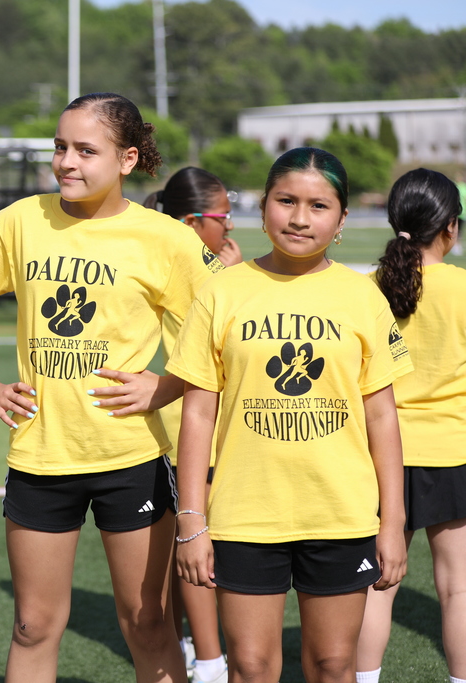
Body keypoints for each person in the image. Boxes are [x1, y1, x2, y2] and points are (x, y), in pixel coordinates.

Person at [0, 92, 223, 683]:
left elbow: (225, 327)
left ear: (126, 159)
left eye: (85, 150)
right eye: (60, 148)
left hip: (133, 459)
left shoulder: (166, 239)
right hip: (41, 455)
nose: (67, 162)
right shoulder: (22, 220)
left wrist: (164, 386)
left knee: (148, 625)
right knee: (34, 626)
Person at [170, 147, 411, 683]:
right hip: (246, 514)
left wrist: (392, 523)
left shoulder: (361, 297)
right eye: (286, 201)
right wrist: (191, 521)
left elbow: (383, 420)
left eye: (319, 206)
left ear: (342, 218)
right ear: (263, 207)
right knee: (252, 666)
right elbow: (196, 415)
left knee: (331, 664)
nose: (300, 218)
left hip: (341, 514)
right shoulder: (221, 292)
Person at [356, 168, 466, 683]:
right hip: (451, 453)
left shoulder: (362, 290)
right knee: (458, 587)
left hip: (379, 455)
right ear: (450, 228)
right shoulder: (463, 288)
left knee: (379, 583)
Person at [144, 166, 235, 683]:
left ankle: (188, 650)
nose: (229, 227)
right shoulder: (200, 266)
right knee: (200, 544)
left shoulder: (192, 257)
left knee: (185, 547)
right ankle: (209, 661)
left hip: (184, 425)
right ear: (192, 221)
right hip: (194, 427)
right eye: (221, 217)